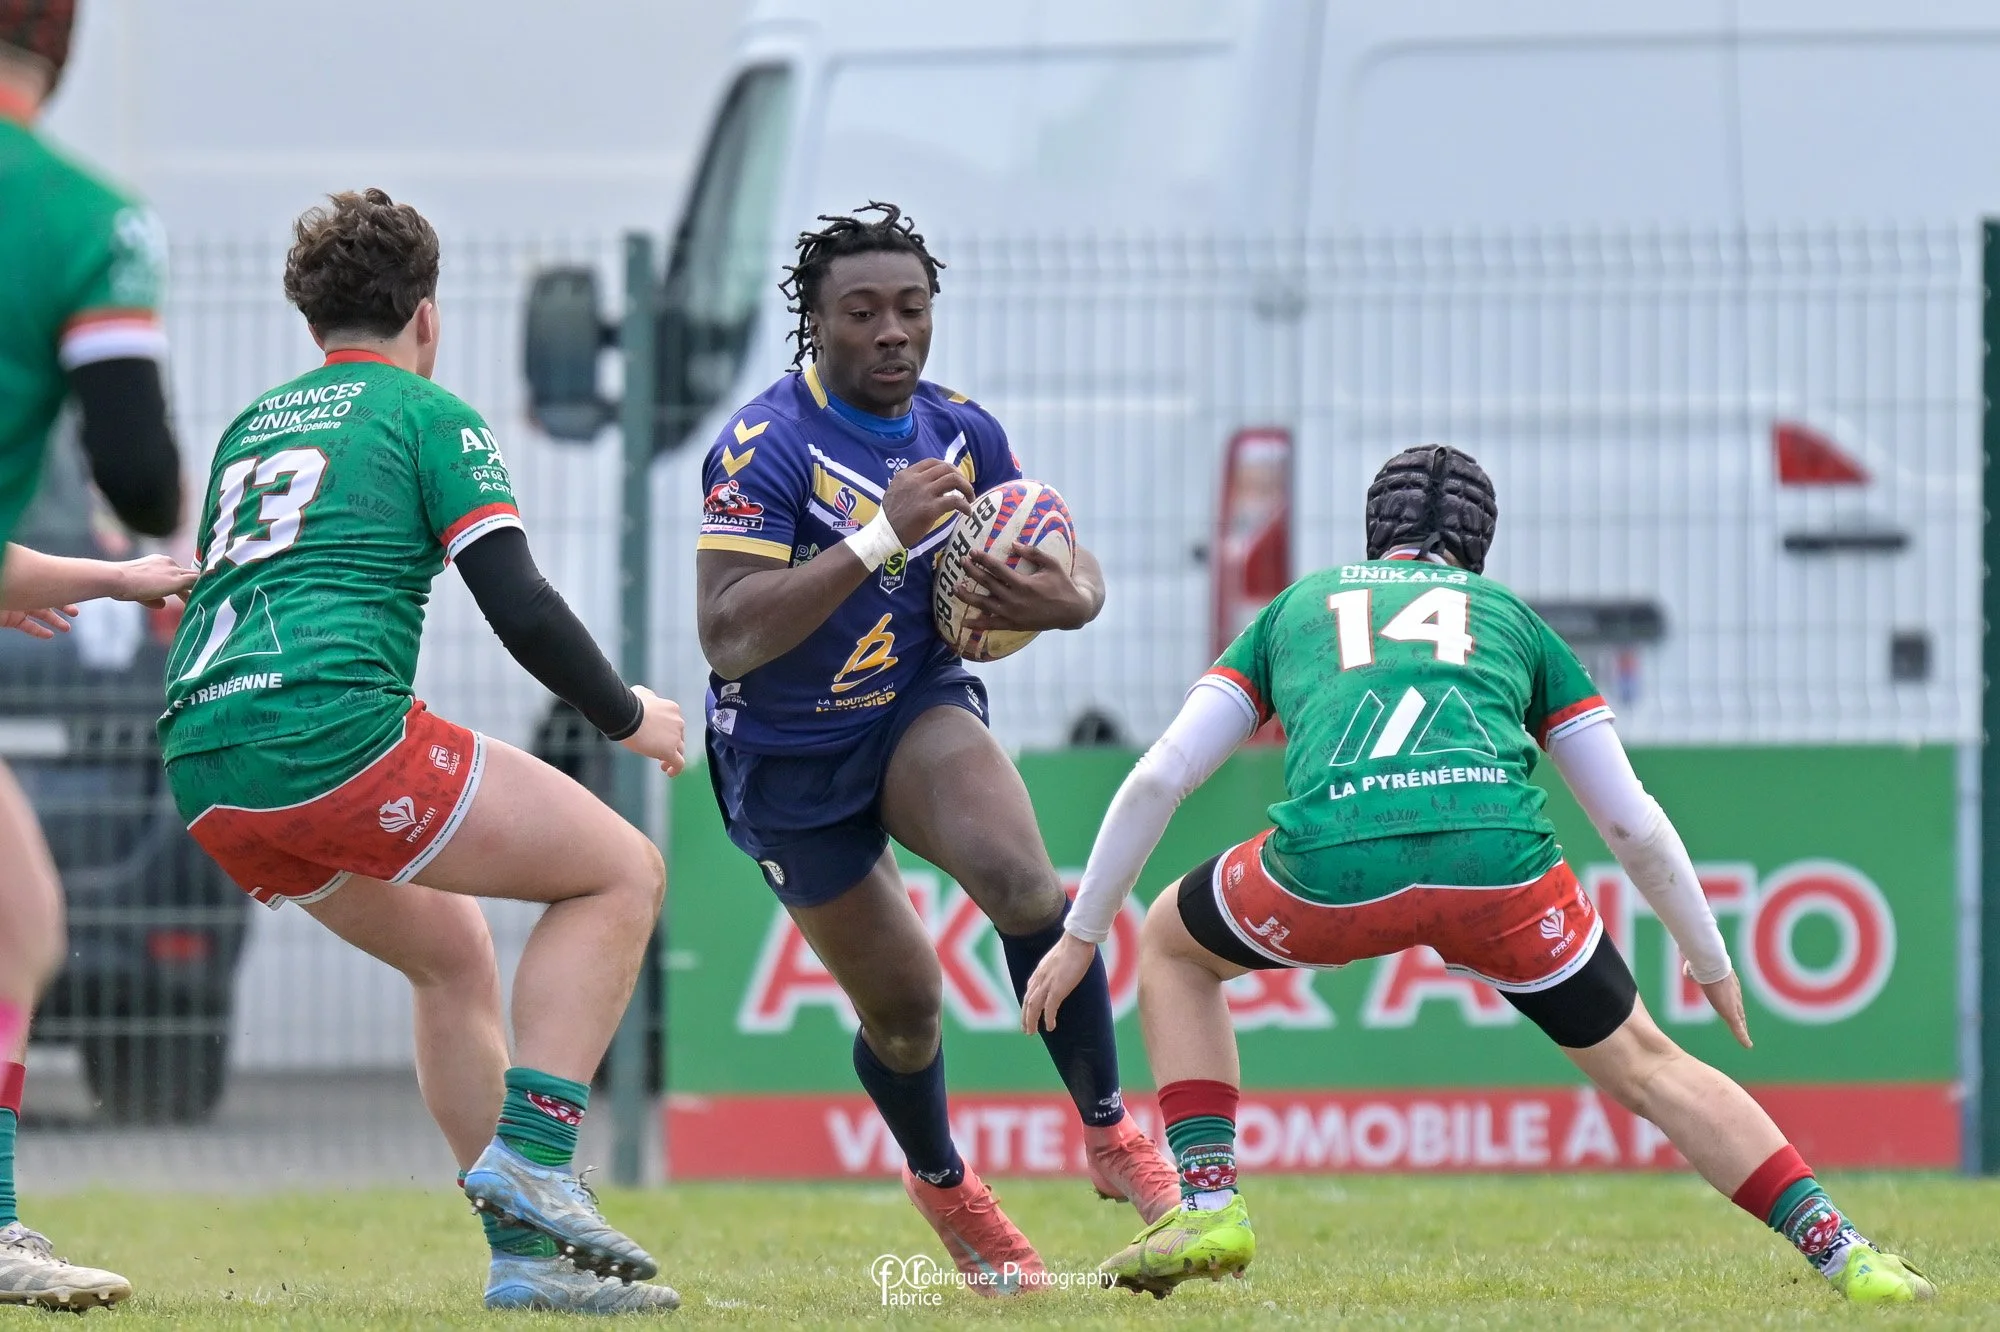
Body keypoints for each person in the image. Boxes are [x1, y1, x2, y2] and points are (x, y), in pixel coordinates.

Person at [1023, 445, 1937, 1305]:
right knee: (1652, 1069)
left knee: (1179, 948)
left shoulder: (1299, 607)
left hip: (1335, 864)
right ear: (1480, 551)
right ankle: (1848, 1256)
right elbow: (1631, 824)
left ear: (1372, 536)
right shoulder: (1514, 624)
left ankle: (1211, 1207)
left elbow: (1159, 777)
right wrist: (1710, 964)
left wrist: (1081, 936)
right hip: (1498, 868)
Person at [157, 189, 687, 1314]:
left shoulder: (254, 426)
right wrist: (627, 717)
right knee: (618, 872)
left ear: (312, 326)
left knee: (450, 954)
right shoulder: (423, 413)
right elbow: (522, 604)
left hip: (205, 762)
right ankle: (538, 1160)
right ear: (429, 317)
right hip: (330, 737)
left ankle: (526, 1261)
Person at [695, 202, 1178, 1293]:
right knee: (907, 1016)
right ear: (813, 324)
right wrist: (877, 537)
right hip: (788, 759)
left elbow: (1061, 551)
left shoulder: (960, 428)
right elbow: (726, 632)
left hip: (913, 706)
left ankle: (1109, 1133)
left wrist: (1075, 599)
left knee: (1019, 879)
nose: (891, 333)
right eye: (860, 312)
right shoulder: (764, 446)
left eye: (910, 309)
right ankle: (944, 1182)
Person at [0, 0, 196, 1309]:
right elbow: (129, 453)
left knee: (19, 916)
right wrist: (153, 547)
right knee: (19, 925)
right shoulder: (81, 218)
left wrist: (105, 574)